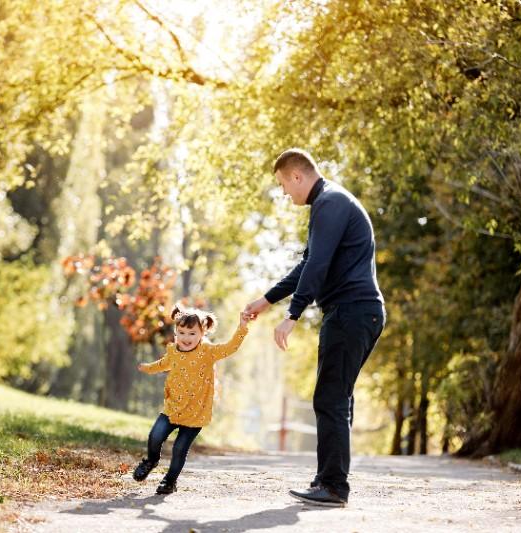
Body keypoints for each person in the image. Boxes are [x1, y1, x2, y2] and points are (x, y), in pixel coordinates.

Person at [243, 148, 385, 508]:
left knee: (331, 398)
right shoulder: (331, 202)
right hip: (355, 313)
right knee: (337, 396)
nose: (284, 194)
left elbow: (317, 264)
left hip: (352, 312)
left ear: (296, 176)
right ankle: (328, 479)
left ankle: (334, 487)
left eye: (283, 185)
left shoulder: (330, 203)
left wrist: (292, 315)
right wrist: (266, 300)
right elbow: (308, 264)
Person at [133, 304, 251, 494]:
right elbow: (162, 364)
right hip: (173, 408)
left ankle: (169, 482)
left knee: (180, 448)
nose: (186, 338)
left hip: (196, 413)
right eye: (181, 332)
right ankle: (151, 461)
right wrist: (147, 367)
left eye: (192, 333)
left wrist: (242, 327)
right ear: (175, 332)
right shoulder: (173, 351)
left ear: (202, 333)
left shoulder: (208, 352)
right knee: (155, 436)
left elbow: (230, 347)